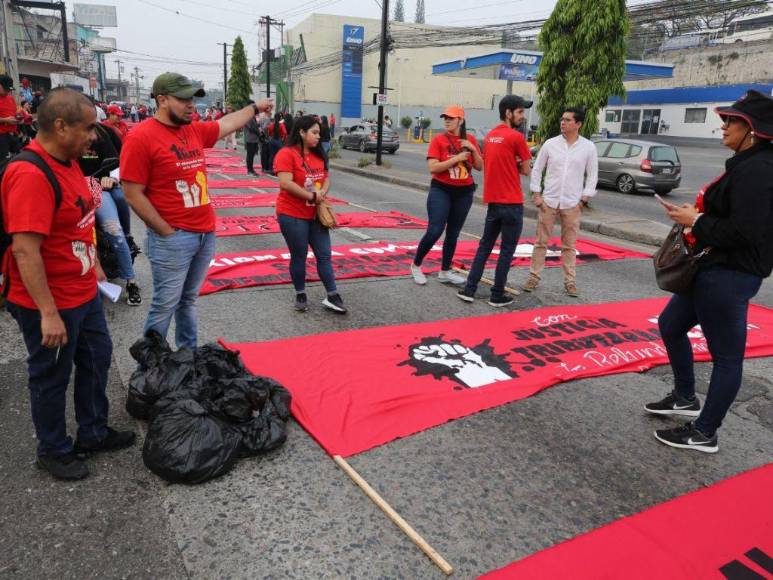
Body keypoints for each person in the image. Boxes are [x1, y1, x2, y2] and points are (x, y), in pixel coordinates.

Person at [1, 88, 136, 481]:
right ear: (60, 126)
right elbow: (25, 251)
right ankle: (54, 448)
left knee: (96, 359)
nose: (95, 136)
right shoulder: (29, 173)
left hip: (83, 290)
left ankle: (93, 432)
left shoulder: (71, 163)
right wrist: (47, 313)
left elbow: (80, 219)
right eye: (88, 128)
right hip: (49, 300)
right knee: (51, 375)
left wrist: (93, 266)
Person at [647, 90, 773, 454]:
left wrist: (697, 220)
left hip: (731, 275)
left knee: (728, 358)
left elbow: (745, 232)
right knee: (670, 326)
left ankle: (705, 432)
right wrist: (695, 216)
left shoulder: (760, 169)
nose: (723, 125)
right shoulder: (747, 162)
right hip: (710, 267)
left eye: (731, 120)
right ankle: (685, 396)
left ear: (751, 129)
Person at [120, 72, 272, 348]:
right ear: (162, 100)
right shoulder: (140, 137)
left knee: (188, 300)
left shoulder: (191, 129)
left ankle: (186, 358)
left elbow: (225, 124)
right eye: (184, 99)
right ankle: (152, 366)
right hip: (173, 238)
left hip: (204, 233)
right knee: (165, 303)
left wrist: (254, 108)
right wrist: (165, 231)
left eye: (193, 99)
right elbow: (132, 192)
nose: (191, 105)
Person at [457, 95, 533, 307]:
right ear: (508, 113)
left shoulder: (490, 137)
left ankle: (469, 289)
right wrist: (517, 164)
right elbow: (527, 170)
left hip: (493, 202)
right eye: (519, 112)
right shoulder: (516, 137)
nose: (522, 116)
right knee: (507, 251)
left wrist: (511, 162)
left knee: (485, 247)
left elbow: (492, 165)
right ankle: (497, 294)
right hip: (512, 203)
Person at [273, 115, 346, 314]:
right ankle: (300, 293)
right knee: (299, 256)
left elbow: (326, 177)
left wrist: (322, 193)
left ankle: (333, 295)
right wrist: (311, 196)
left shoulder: (318, 154)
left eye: (319, 133)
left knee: (324, 255)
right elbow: (285, 183)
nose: (317, 136)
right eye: (314, 132)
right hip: (292, 214)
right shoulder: (286, 154)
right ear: (302, 132)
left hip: (315, 215)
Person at [524, 107, 598, 297]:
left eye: (567, 120)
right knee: (541, 242)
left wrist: (584, 200)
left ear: (578, 124)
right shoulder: (550, 144)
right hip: (548, 201)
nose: (562, 123)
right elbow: (537, 169)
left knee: (569, 245)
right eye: (561, 119)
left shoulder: (588, 147)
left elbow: (592, 176)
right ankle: (534, 277)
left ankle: (570, 281)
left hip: (572, 203)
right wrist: (536, 195)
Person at [411, 105, 483, 285]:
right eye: (445, 118)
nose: (447, 120)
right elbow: (433, 168)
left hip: (464, 192)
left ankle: (444, 271)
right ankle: (416, 264)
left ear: (461, 120)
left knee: (453, 234)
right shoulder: (439, 140)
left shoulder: (471, 139)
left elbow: (480, 167)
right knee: (435, 229)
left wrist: (473, 149)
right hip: (441, 189)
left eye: (451, 117)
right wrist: (456, 159)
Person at [0, 74, 20, 159]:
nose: (8, 91)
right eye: (6, 89)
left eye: (9, 90)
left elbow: (14, 112)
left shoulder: (10, 98)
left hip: (13, 134)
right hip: (1, 136)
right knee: (4, 164)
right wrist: (5, 120)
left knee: (18, 160)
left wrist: (18, 117)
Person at [244, 105, 261, 175]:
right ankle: (249, 170)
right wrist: (258, 132)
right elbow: (250, 128)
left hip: (254, 139)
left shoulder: (253, 117)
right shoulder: (248, 118)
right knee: (250, 155)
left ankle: (251, 169)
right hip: (250, 139)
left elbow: (255, 126)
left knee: (252, 155)